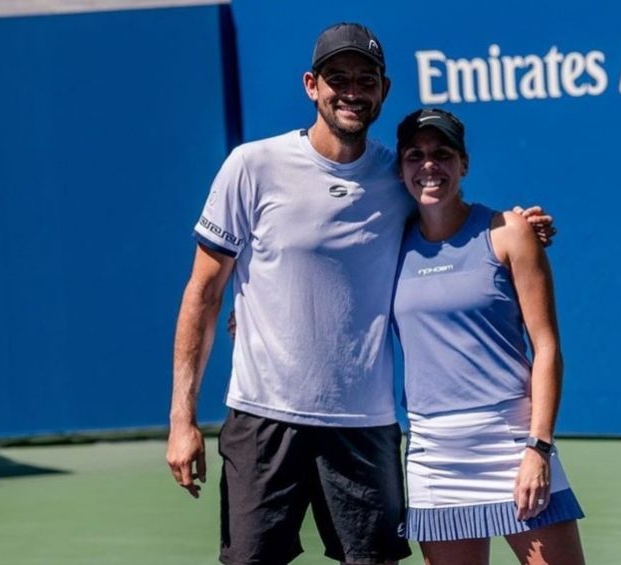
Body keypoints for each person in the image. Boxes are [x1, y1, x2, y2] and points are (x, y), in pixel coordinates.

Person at [165, 23, 556, 565]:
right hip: (262, 419)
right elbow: (204, 293)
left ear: (383, 90)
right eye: (337, 78)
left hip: (363, 427)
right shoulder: (251, 167)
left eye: (365, 79)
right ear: (311, 85)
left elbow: (450, 210)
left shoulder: (398, 177)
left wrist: (518, 225)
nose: (351, 90)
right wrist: (181, 419)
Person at [392, 108, 586, 565]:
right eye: (414, 156)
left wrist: (538, 447)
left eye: (442, 153)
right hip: (433, 455)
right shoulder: (387, 242)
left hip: (511, 441)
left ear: (464, 163)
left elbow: (547, 348)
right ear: (400, 169)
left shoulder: (508, 232)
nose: (429, 166)